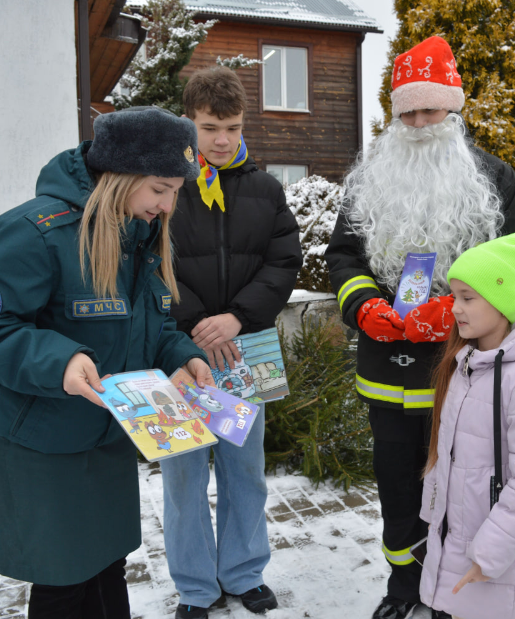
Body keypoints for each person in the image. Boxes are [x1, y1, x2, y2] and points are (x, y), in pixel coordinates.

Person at [0, 107, 213, 619]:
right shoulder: (35, 231)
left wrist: (183, 358)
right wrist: (61, 360)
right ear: (122, 173)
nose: (168, 204)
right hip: (45, 444)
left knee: (108, 565)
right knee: (62, 580)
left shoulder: (139, 235)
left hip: (106, 439)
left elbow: (147, 327)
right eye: (160, 187)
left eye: (177, 190)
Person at [324, 35, 515, 619]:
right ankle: (402, 588)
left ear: (453, 108)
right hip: (386, 378)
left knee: (463, 489)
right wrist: (364, 304)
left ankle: (454, 591)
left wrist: (460, 314)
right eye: (407, 111)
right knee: (397, 486)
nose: (418, 123)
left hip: (463, 371)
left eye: (429, 109)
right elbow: (342, 255)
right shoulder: (369, 178)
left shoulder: (495, 179)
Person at [159, 66, 302, 619]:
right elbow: (151, 264)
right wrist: (199, 324)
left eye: (233, 127)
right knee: (185, 478)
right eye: (210, 127)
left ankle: (244, 573)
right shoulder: (168, 188)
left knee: (244, 471)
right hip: (181, 356)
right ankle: (196, 587)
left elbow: (284, 260)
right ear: (189, 124)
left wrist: (238, 318)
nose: (222, 140)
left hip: (243, 354)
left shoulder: (266, 190)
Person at [419, 233, 515, 619]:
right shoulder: (466, 366)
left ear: (503, 301)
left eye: (468, 298)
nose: (455, 309)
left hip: (500, 565)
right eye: (454, 296)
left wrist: (488, 555)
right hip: (458, 549)